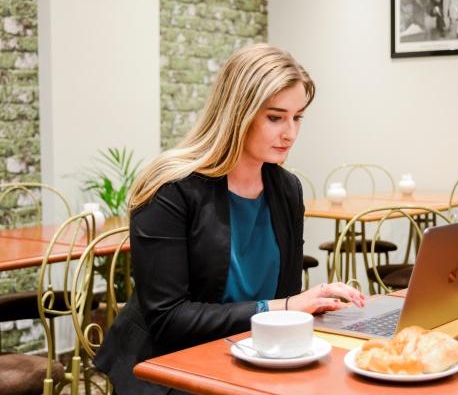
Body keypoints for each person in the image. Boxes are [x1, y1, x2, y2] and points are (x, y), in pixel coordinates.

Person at [94, 43, 366, 394]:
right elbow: (169, 319)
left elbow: (286, 296)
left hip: (251, 354)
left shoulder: (286, 189)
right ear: (238, 112)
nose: (291, 133)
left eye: (297, 117)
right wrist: (284, 307)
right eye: (275, 117)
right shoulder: (171, 189)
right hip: (170, 367)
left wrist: (313, 308)